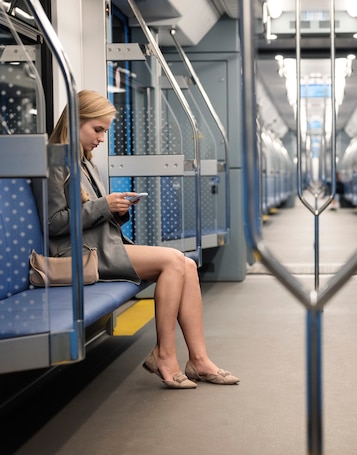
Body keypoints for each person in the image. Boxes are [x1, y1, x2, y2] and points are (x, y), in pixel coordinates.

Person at [43, 90, 239, 389]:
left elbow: (91, 212)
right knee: (174, 260)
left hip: (99, 246)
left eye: (105, 131)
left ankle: (199, 360)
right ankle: (165, 355)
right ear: (75, 121)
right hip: (75, 254)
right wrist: (104, 205)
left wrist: (116, 209)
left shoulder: (83, 161)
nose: (101, 138)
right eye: (97, 129)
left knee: (185, 263)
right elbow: (53, 224)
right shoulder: (54, 161)